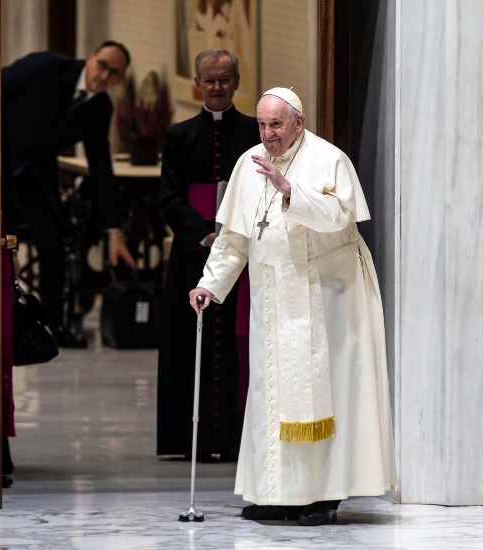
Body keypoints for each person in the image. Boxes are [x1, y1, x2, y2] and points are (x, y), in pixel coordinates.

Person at [189, 88, 395, 525]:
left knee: (327, 389)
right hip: (274, 299)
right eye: (262, 125)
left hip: (330, 300)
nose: (268, 134)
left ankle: (323, 496)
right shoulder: (248, 163)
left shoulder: (329, 159)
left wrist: (290, 190)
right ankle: (277, 492)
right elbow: (235, 238)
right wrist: (210, 284)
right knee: (272, 391)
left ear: (298, 122)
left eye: (276, 125)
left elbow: (340, 218)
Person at [157, 49, 259, 461]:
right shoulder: (178, 136)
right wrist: (200, 234)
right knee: (188, 342)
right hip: (192, 253)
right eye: (209, 81)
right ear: (198, 84)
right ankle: (188, 439)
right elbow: (169, 196)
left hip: (241, 253)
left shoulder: (254, 132)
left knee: (236, 344)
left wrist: (233, 233)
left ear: (237, 82)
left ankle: (235, 437)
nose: (217, 88)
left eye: (225, 80)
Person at [1, 41, 136, 337]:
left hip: (38, 176)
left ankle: (49, 326)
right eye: (101, 65)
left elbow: (101, 166)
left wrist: (113, 230)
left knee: (53, 242)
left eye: (113, 73)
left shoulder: (100, 107)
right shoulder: (45, 66)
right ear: (90, 58)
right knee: (3, 246)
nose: (103, 77)